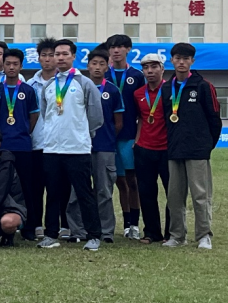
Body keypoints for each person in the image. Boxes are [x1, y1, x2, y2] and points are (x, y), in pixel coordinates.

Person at [36, 39, 104, 251]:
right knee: (53, 194)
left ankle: (94, 235)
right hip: (52, 149)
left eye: (65, 54)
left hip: (77, 149)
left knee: (84, 193)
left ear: (73, 56)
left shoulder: (84, 83)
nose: (60, 57)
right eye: (57, 54)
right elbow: (46, 114)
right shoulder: (49, 86)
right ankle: (50, 235)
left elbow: (96, 117)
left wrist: (80, 133)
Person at [162, 43, 222, 250]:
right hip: (174, 150)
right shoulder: (166, 88)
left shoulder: (203, 86)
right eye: (178, 58)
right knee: (174, 196)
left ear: (192, 61)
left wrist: (206, 146)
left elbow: (215, 119)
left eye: (186, 59)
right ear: (172, 60)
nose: (181, 62)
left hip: (197, 150)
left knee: (200, 195)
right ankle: (177, 235)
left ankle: (204, 235)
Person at [67, 49, 123, 243]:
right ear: (87, 66)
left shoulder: (112, 90)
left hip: (104, 147)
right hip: (79, 147)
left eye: (102, 64)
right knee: (76, 191)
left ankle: (106, 232)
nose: (97, 67)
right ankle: (78, 231)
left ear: (107, 67)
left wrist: (106, 138)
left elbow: (118, 122)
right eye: (94, 63)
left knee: (104, 191)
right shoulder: (77, 86)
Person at [0, 48, 40, 239]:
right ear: (3, 66)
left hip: (22, 146)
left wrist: (23, 131)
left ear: (21, 66)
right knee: (1, 188)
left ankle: (29, 227)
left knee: (27, 187)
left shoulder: (28, 90)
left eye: (15, 64)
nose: (11, 67)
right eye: (8, 64)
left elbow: (33, 116)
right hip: (1, 147)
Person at [105, 34, 146, 239]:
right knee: (119, 182)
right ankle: (126, 223)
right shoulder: (103, 74)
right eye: (112, 47)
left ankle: (135, 225)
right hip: (108, 137)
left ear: (128, 49)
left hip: (129, 136)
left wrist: (138, 138)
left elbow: (143, 111)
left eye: (120, 46)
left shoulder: (137, 75)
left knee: (132, 181)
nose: (116, 50)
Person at [26, 37, 62, 241]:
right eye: (44, 55)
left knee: (57, 188)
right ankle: (36, 224)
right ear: (38, 58)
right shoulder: (29, 85)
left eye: (51, 55)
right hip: (37, 143)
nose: (48, 59)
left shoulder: (66, 83)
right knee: (36, 188)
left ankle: (59, 226)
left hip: (59, 144)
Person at [133, 53, 171, 244]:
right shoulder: (138, 93)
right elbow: (139, 119)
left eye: (154, 67)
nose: (150, 71)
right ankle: (151, 232)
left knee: (172, 193)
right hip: (144, 149)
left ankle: (171, 233)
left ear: (162, 69)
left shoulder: (171, 91)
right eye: (146, 68)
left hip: (167, 149)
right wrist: (137, 142)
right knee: (146, 193)